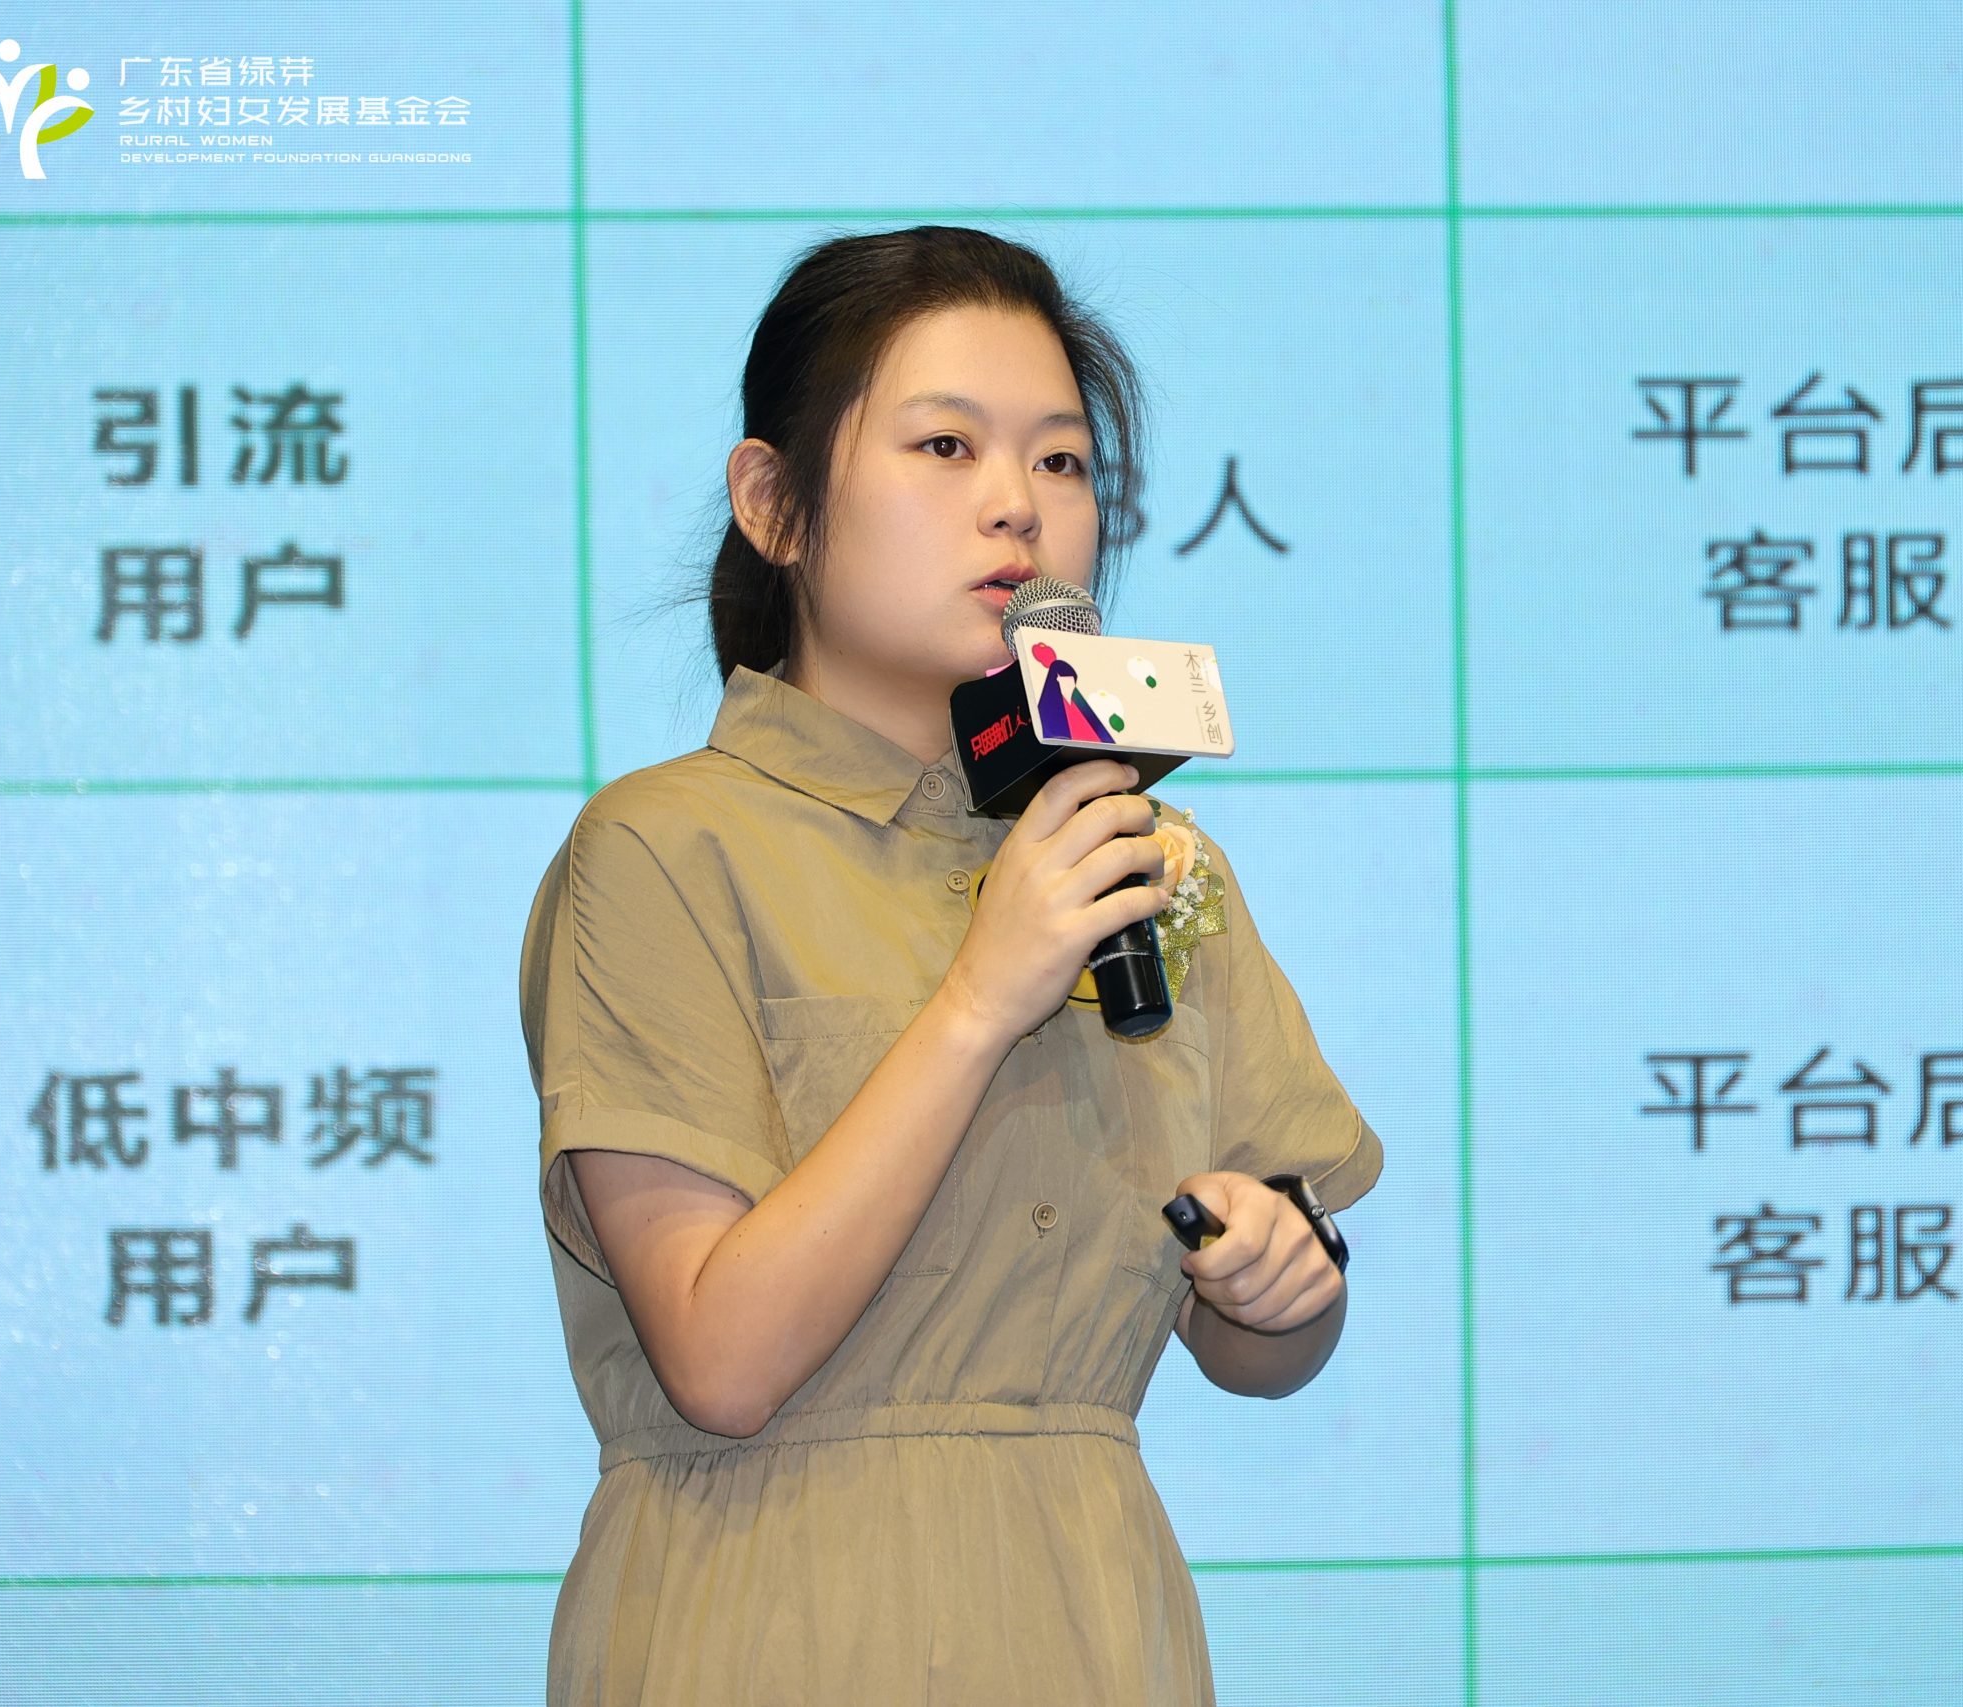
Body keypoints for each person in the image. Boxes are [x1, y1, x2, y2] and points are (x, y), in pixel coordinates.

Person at [517, 225, 1384, 1705]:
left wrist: (1282, 1288)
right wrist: (983, 996)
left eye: (1062, 461)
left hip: (1091, 1629)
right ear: (774, 504)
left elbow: (1255, 1348)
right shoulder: (662, 850)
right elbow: (718, 1361)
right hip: (769, 1627)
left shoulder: (1147, 860)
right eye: (944, 446)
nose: (1018, 506)